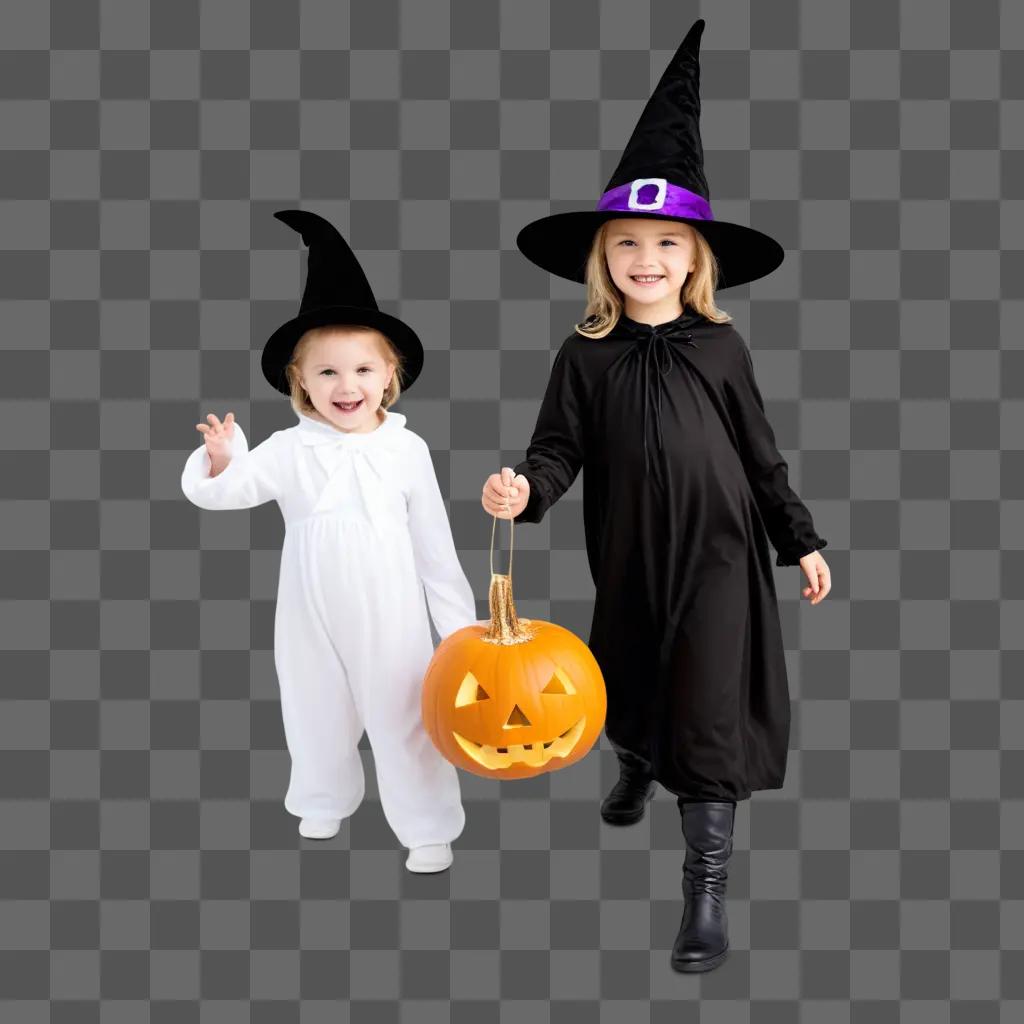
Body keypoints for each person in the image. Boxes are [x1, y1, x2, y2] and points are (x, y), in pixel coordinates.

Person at [482, 19, 831, 972]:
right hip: (629, 549)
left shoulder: (722, 346)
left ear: (694, 257)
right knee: (630, 668)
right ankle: (635, 762)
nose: (647, 258)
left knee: (710, 700)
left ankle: (705, 888)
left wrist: (797, 538)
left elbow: (761, 453)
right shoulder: (583, 355)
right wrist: (526, 490)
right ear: (604, 256)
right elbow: (558, 450)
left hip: (721, 554)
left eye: (666, 242)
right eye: (628, 242)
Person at [182, 210, 476, 874]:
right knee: (312, 700)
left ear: (389, 376)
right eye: (328, 373)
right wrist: (225, 458)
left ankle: (427, 826)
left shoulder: (406, 449)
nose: (348, 387)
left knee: (405, 713)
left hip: (392, 611)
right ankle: (323, 796)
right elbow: (225, 493)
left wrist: (462, 631)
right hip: (310, 605)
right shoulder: (290, 449)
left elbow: (434, 547)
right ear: (301, 383)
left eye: (363, 370)